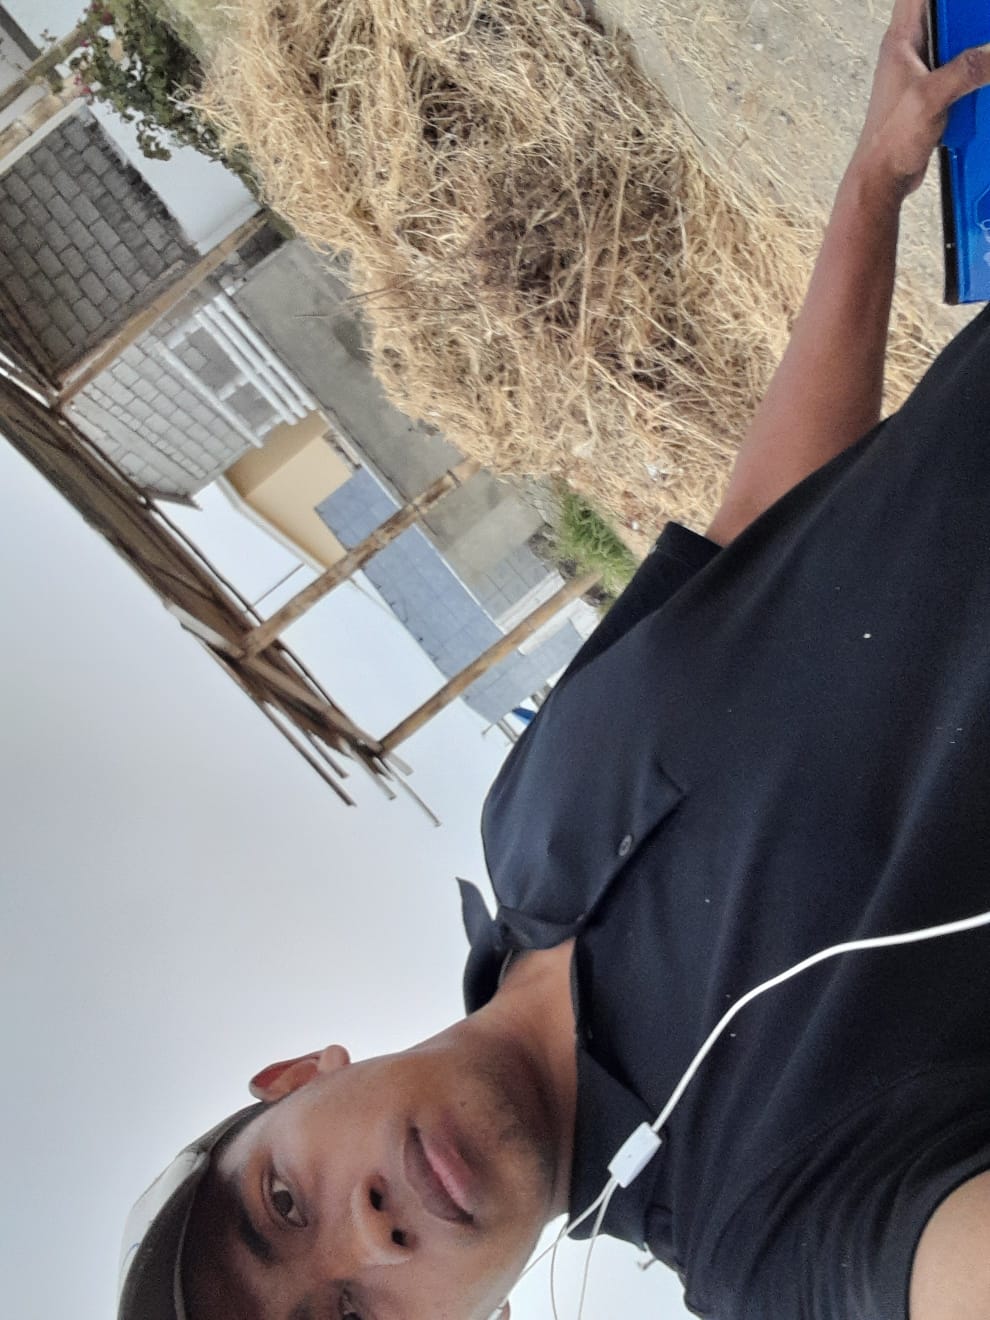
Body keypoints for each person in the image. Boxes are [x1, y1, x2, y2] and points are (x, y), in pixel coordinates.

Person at [118, 4, 990, 1317]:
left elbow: (757, 535)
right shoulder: (767, 1233)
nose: (368, 1236)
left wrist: (872, 181)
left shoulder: (524, 817)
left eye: (286, 1205)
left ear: (294, 1082)